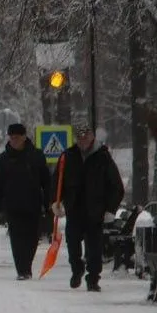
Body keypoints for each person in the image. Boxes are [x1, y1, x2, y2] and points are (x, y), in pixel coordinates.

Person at [51, 123, 125, 292]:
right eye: (80, 138)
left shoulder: (103, 157)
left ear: (92, 137)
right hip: (74, 208)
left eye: (86, 137)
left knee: (94, 247)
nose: (83, 141)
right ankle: (77, 269)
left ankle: (93, 278)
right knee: (72, 243)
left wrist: (111, 209)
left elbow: (116, 186)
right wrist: (55, 201)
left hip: (95, 210)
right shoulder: (68, 156)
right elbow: (57, 181)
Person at [0, 123, 51, 280]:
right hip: (13, 205)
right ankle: (22, 270)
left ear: (24, 137)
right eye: (11, 138)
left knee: (32, 238)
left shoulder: (36, 156)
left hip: (33, 204)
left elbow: (46, 181)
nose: (14, 140)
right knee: (16, 238)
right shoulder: (4, 159)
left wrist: (49, 203)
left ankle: (26, 265)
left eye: (17, 137)